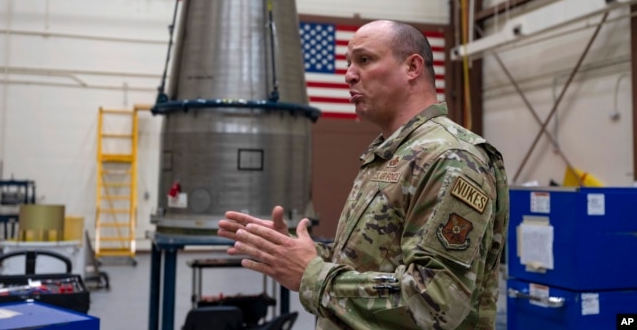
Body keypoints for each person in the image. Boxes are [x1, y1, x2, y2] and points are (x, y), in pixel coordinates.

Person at [218, 19, 509, 329]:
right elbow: (369, 260)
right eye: (348, 63)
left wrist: (311, 275)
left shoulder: (451, 158)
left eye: (364, 60)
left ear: (412, 67)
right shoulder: (390, 154)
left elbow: (433, 301)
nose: (348, 75)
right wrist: (298, 253)